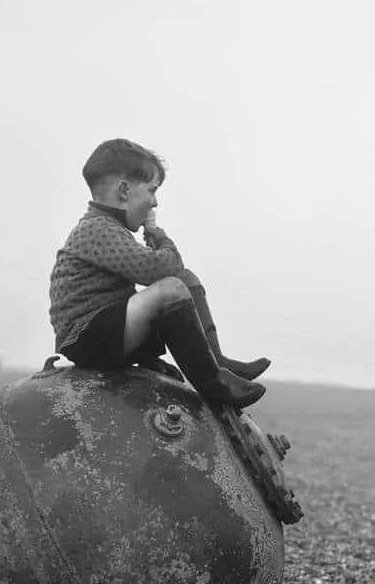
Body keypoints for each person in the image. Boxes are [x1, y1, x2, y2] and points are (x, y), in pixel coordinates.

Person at [48, 139, 270, 409]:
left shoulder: (108, 227)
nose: (155, 202)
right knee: (172, 289)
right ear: (124, 190)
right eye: (152, 191)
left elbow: (171, 270)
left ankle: (217, 361)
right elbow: (160, 270)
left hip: (109, 329)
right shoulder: (96, 228)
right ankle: (214, 385)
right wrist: (158, 236)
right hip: (86, 337)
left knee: (186, 279)